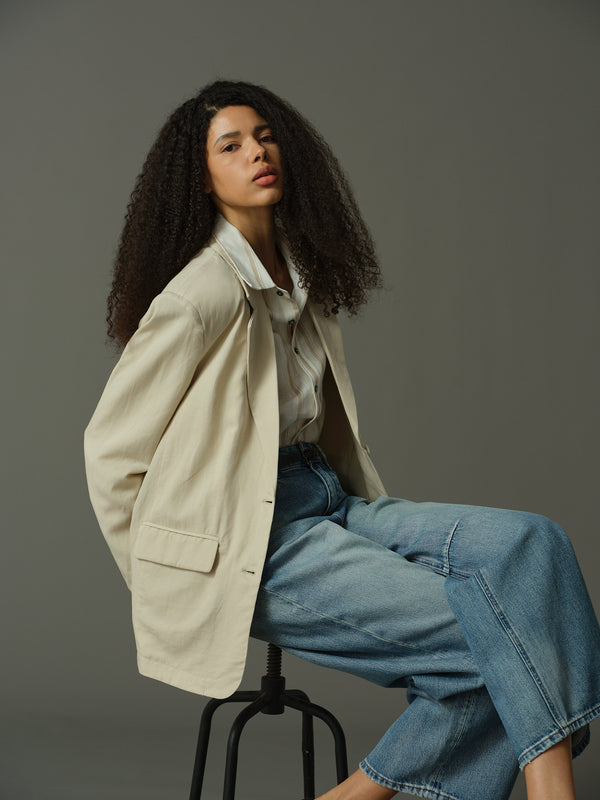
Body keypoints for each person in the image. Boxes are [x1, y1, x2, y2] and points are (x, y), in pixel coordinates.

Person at [84, 79, 600, 800]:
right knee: (496, 634)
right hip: (256, 541)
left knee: (535, 548)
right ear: (201, 180)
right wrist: (173, 578)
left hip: (330, 500)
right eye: (230, 146)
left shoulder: (302, 274)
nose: (257, 152)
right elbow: (111, 453)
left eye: (264, 136)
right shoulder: (198, 295)